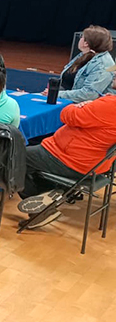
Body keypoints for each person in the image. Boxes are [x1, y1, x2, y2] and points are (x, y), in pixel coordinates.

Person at [16, 94, 116, 227]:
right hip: (91, 162)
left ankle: (44, 209)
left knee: (13, 157)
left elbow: (66, 115)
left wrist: (79, 105)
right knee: (28, 154)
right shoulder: (108, 104)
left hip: (70, 159)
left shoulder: (109, 104)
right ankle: (50, 193)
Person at [55, 26, 115, 103]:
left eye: (81, 37)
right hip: (66, 98)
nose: (80, 39)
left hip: (85, 106)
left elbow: (88, 94)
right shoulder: (84, 55)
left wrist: (57, 94)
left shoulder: (103, 65)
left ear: (86, 43)